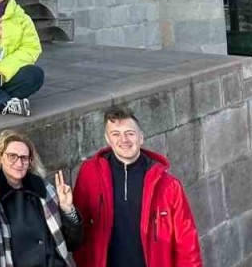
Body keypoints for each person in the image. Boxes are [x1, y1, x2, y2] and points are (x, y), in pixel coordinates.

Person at [72, 107, 204, 267]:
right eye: (116, 134)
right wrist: (67, 210)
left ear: (141, 137)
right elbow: (78, 230)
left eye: (130, 133)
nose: (124, 140)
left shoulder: (169, 185)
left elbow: (186, 242)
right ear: (107, 138)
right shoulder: (90, 173)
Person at [0, 131, 83, 267]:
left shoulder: (44, 190)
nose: (19, 163)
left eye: (24, 158)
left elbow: (73, 243)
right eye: (12, 156)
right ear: (0, 157)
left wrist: (68, 209)